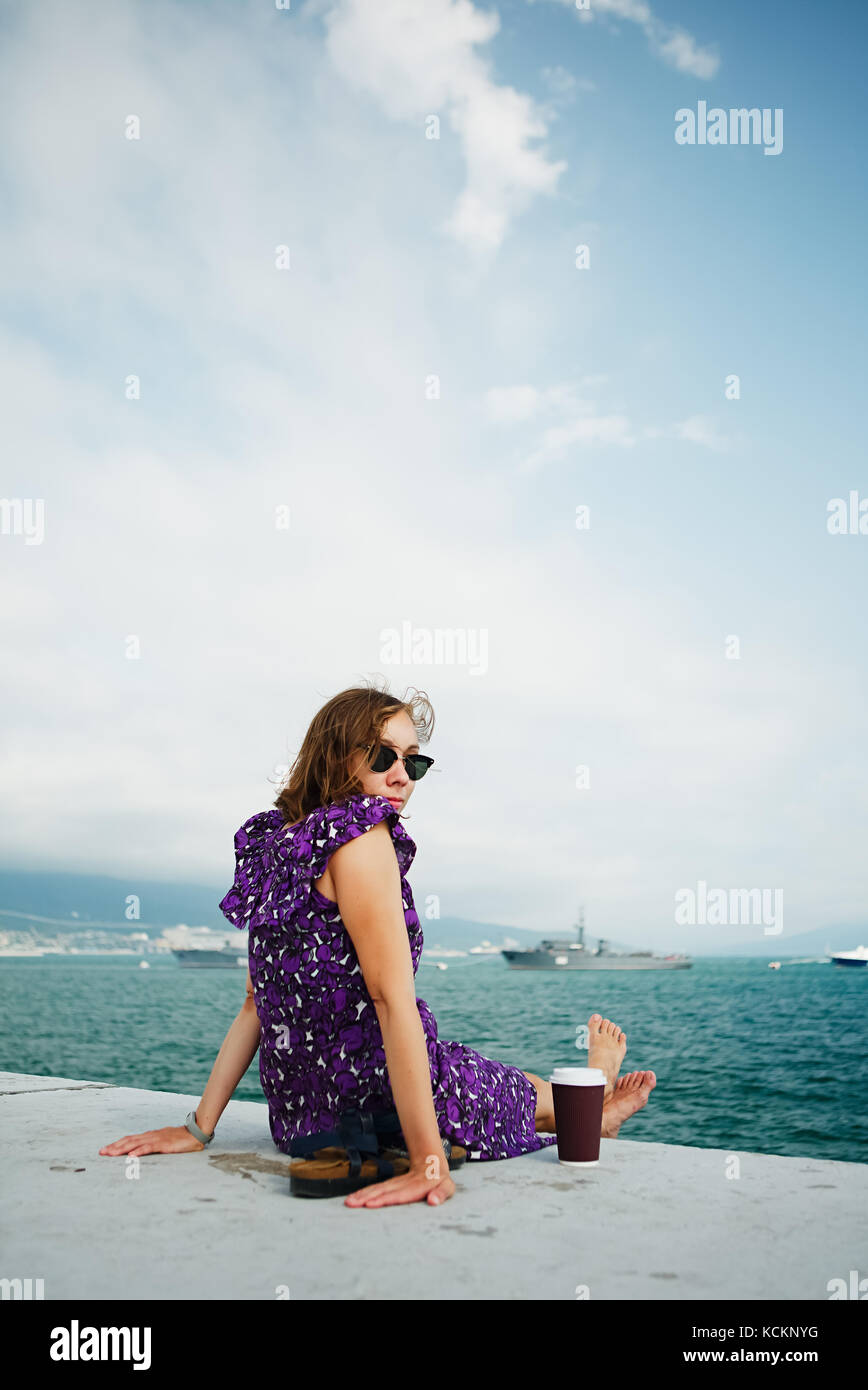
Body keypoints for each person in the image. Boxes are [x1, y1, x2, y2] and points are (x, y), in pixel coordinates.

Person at [100, 680, 656, 1208]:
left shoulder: (280, 847)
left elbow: (256, 1002)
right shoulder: (362, 839)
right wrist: (428, 1161)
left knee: (495, 1081)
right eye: (382, 756)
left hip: (304, 1123)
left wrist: (199, 1128)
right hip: (381, 1104)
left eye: (413, 761)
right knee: (504, 1090)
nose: (402, 776)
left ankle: (593, 1109)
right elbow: (390, 999)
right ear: (337, 754)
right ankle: (595, 1097)